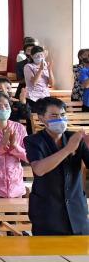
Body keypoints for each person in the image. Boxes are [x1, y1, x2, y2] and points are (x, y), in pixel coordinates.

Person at [25, 97, 89, 235]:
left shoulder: (75, 138)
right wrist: (68, 149)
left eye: (63, 115)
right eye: (54, 116)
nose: (60, 119)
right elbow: (39, 169)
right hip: (47, 214)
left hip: (76, 213)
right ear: (41, 118)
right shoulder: (33, 141)